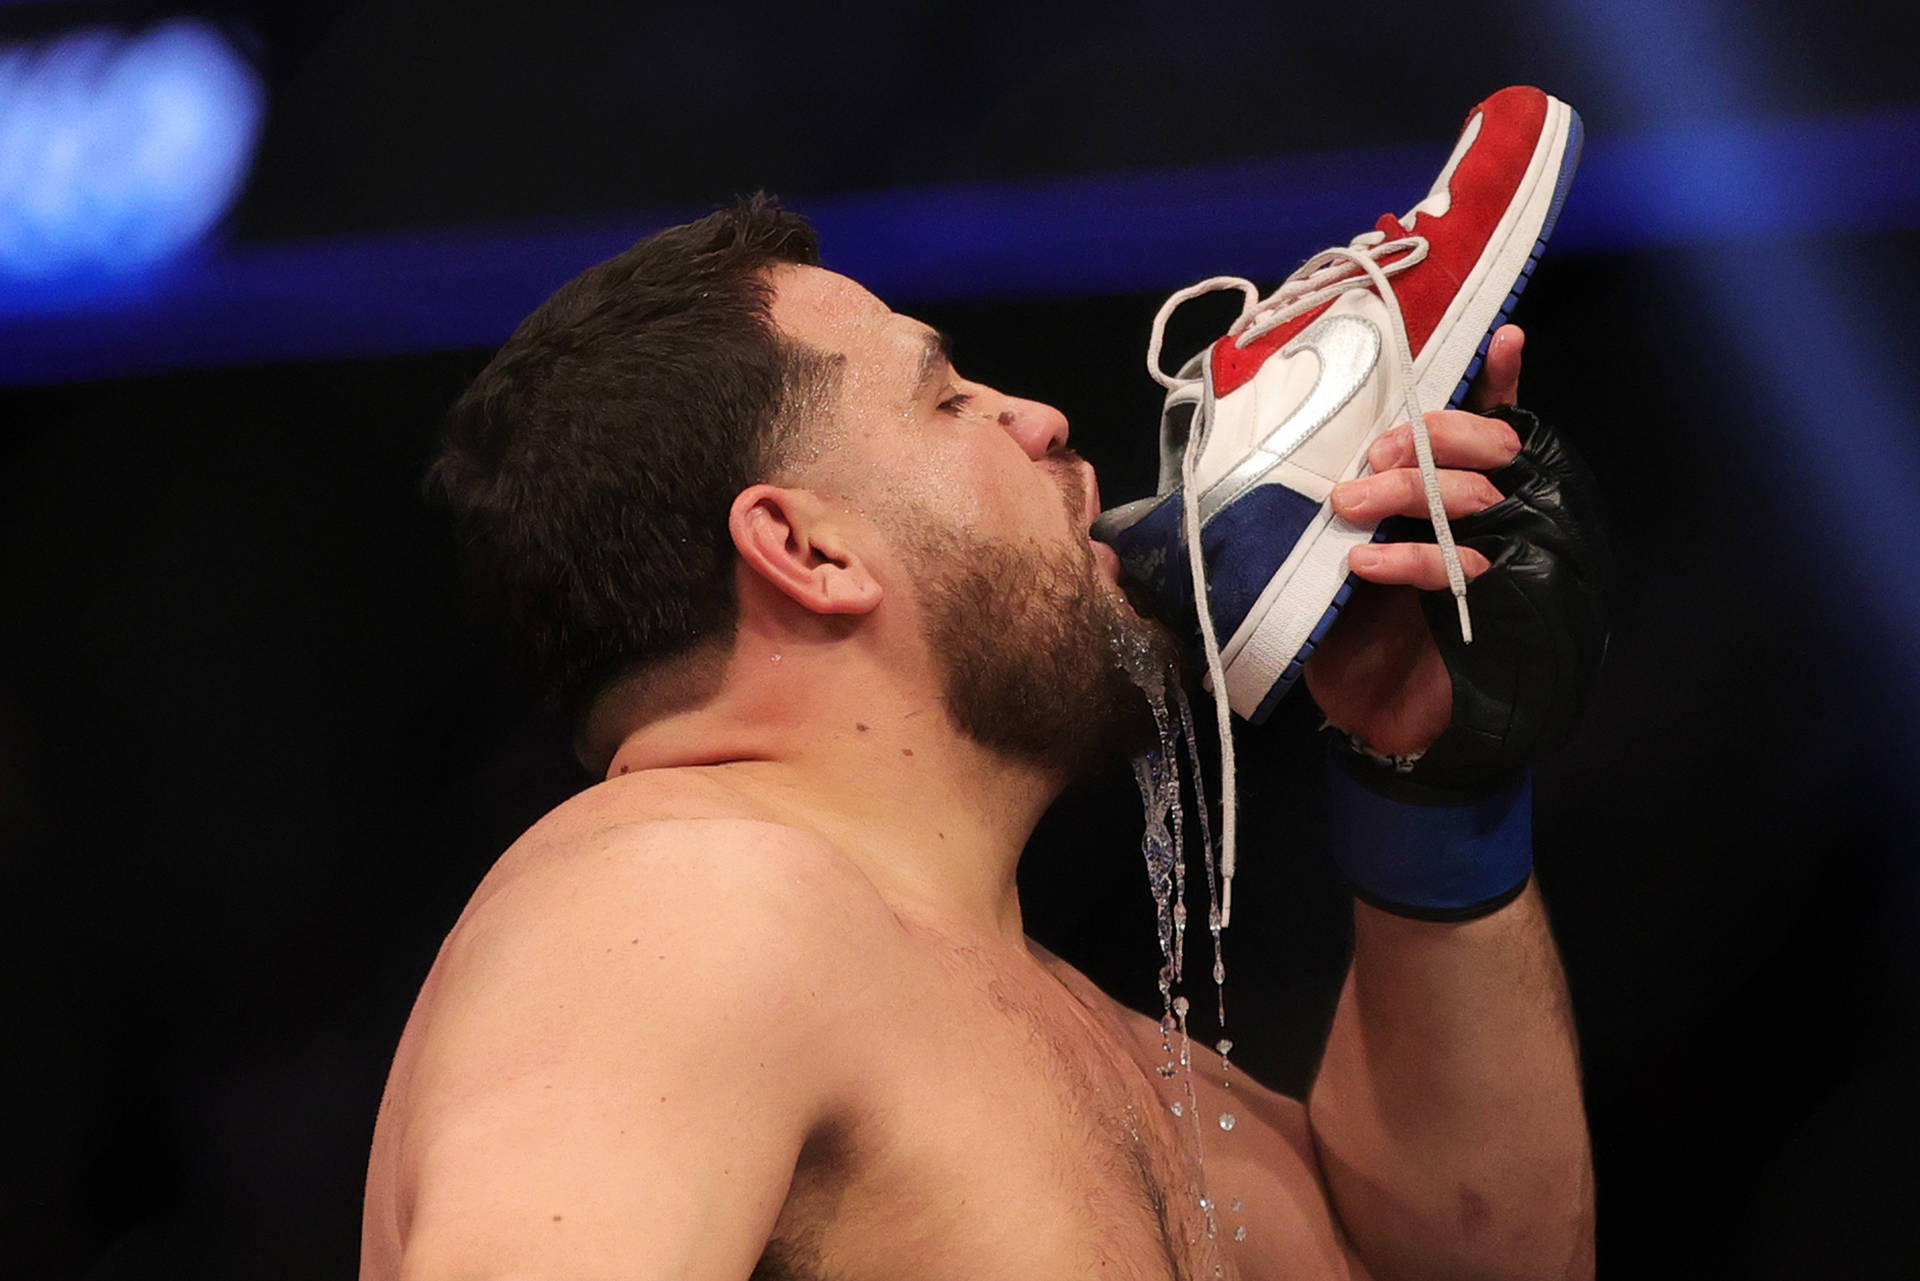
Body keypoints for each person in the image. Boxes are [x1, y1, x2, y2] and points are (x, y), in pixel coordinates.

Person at [361, 195, 1595, 1280]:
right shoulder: (679, 912)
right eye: (950, 398)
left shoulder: (1043, 1016)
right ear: (806, 549)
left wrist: (1432, 790)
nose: (1045, 419)